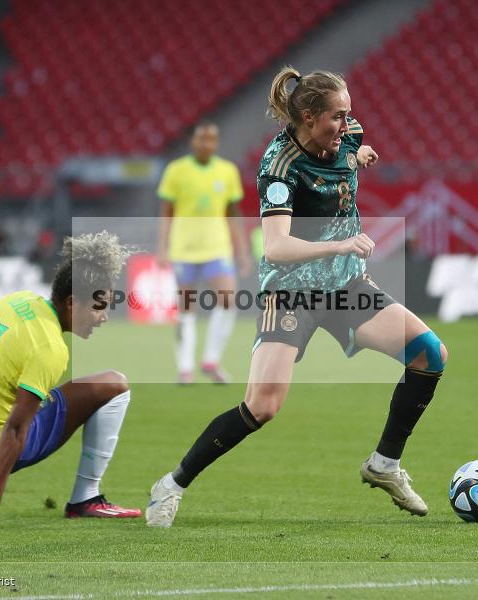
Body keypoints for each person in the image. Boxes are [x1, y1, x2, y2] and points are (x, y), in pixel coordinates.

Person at [146, 67, 448, 528]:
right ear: (308, 117)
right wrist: (342, 244)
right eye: (337, 117)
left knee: (429, 353)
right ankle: (172, 485)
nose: (347, 126)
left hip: (346, 287)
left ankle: (384, 464)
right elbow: (277, 246)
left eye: (349, 115)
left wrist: (359, 154)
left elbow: (347, 152)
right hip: (292, 293)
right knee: (263, 406)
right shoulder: (280, 167)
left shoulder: (348, 135)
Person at [0, 233, 141, 524]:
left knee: (0, 398)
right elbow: (15, 427)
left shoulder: (18, 300)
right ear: (72, 303)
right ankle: (86, 497)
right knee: (114, 384)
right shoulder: (50, 350)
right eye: (99, 307)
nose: (104, 317)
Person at [156, 121, 251, 384]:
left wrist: (241, 251)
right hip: (184, 249)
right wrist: (162, 248)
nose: (207, 144)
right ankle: (185, 368)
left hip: (216, 247)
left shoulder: (227, 171)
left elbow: (233, 213)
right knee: (186, 308)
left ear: (216, 143)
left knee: (228, 300)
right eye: (202, 139)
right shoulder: (176, 171)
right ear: (193, 141)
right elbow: (166, 213)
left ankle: (211, 360)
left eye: (212, 139)